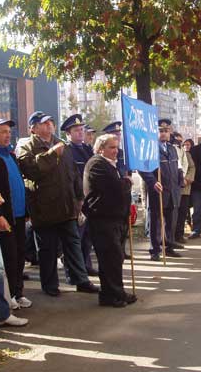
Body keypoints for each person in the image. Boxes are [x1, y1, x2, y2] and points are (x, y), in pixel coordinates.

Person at [16, 111, 98, 297]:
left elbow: (73, 173)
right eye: (44, 123)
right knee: (47, 250)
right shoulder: (25, 146)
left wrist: (79, 197)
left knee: (73, 245)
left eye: (51, 122)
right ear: (33, 128)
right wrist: (52, 154)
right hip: (43, 208)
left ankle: (80, 280)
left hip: (67, 206)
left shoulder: (61, 144)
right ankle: (50, 284)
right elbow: (31, 171)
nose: (49, 125)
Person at [83, 134, 137, 307]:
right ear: (101, 148)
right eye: (111, 147)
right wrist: (127, 182)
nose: (116, 151)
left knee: (115, 258)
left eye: (116, 147)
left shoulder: (110, 164)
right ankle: (112, 295)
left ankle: (114, 292)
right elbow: (115, 188)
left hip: (115, 218)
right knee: (110, 258)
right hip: (102, 219)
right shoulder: (97, 164)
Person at [0, 117, 33, 312]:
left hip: (20, 213)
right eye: (3, 131)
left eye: (8, 131)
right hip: (5, 216)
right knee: (8, 257)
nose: (8, 135)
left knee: (20, 253)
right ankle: (9, 295)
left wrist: (27, 210)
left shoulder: (10, 154)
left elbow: (19, 183)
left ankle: (18, 292)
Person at [139, 118, 183, 261]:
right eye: (161, 131)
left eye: (166, 131)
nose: (164, 133)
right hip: (158, 190)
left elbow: (177, 167)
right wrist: (153, 182)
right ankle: (155, 250)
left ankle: (168, 246)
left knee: (170, 221)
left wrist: (179, 183)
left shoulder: (172, 148)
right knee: (156, 221)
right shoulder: (150, 149)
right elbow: (143, 169)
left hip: (171, 191)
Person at [61, 114, 98, 277]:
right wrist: (76, 199)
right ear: (68, 134)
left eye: (82, 129)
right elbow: (68, 178)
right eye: (76, 130)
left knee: (88, 236)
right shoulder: (66, 151)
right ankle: (74, 270)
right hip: (76, 200)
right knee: (76, 237)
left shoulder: (87, 149)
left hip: (90, 199)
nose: (80, 133)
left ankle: (86, 264)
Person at [102, 121, 132, 259]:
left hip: (125, 192)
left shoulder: (123, 153)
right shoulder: (105, 155)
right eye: (114, 134)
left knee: (125, 223)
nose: (118, 136)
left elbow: (128, 171)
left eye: (119, 133)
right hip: (114, 193)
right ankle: (117, 251)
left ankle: (122, 249)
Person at [175, 137, 196, 244]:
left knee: (183, 212)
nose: (178, 142)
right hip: (173, 189)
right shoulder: (171, 153)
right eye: (177, 140)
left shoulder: (187, 154)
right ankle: (171, 236)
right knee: (174, 214)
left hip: (185, 188)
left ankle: (179, 234)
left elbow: (192, 167)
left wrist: (187, 178)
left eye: (180, 140)